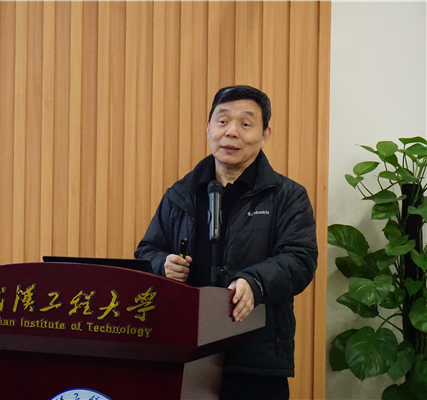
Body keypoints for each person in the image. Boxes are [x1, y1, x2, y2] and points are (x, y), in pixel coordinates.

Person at [135, 85, 318, 400]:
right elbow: (146, 251)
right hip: (185, 356)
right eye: (222, 121)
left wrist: (255, 282)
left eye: (245, 124)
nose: (231, 132)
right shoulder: (180, 193)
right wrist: (162, 265)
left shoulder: (287, 196)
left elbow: (300, 259)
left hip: (255, 359)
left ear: (265, 134)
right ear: (208, 127)